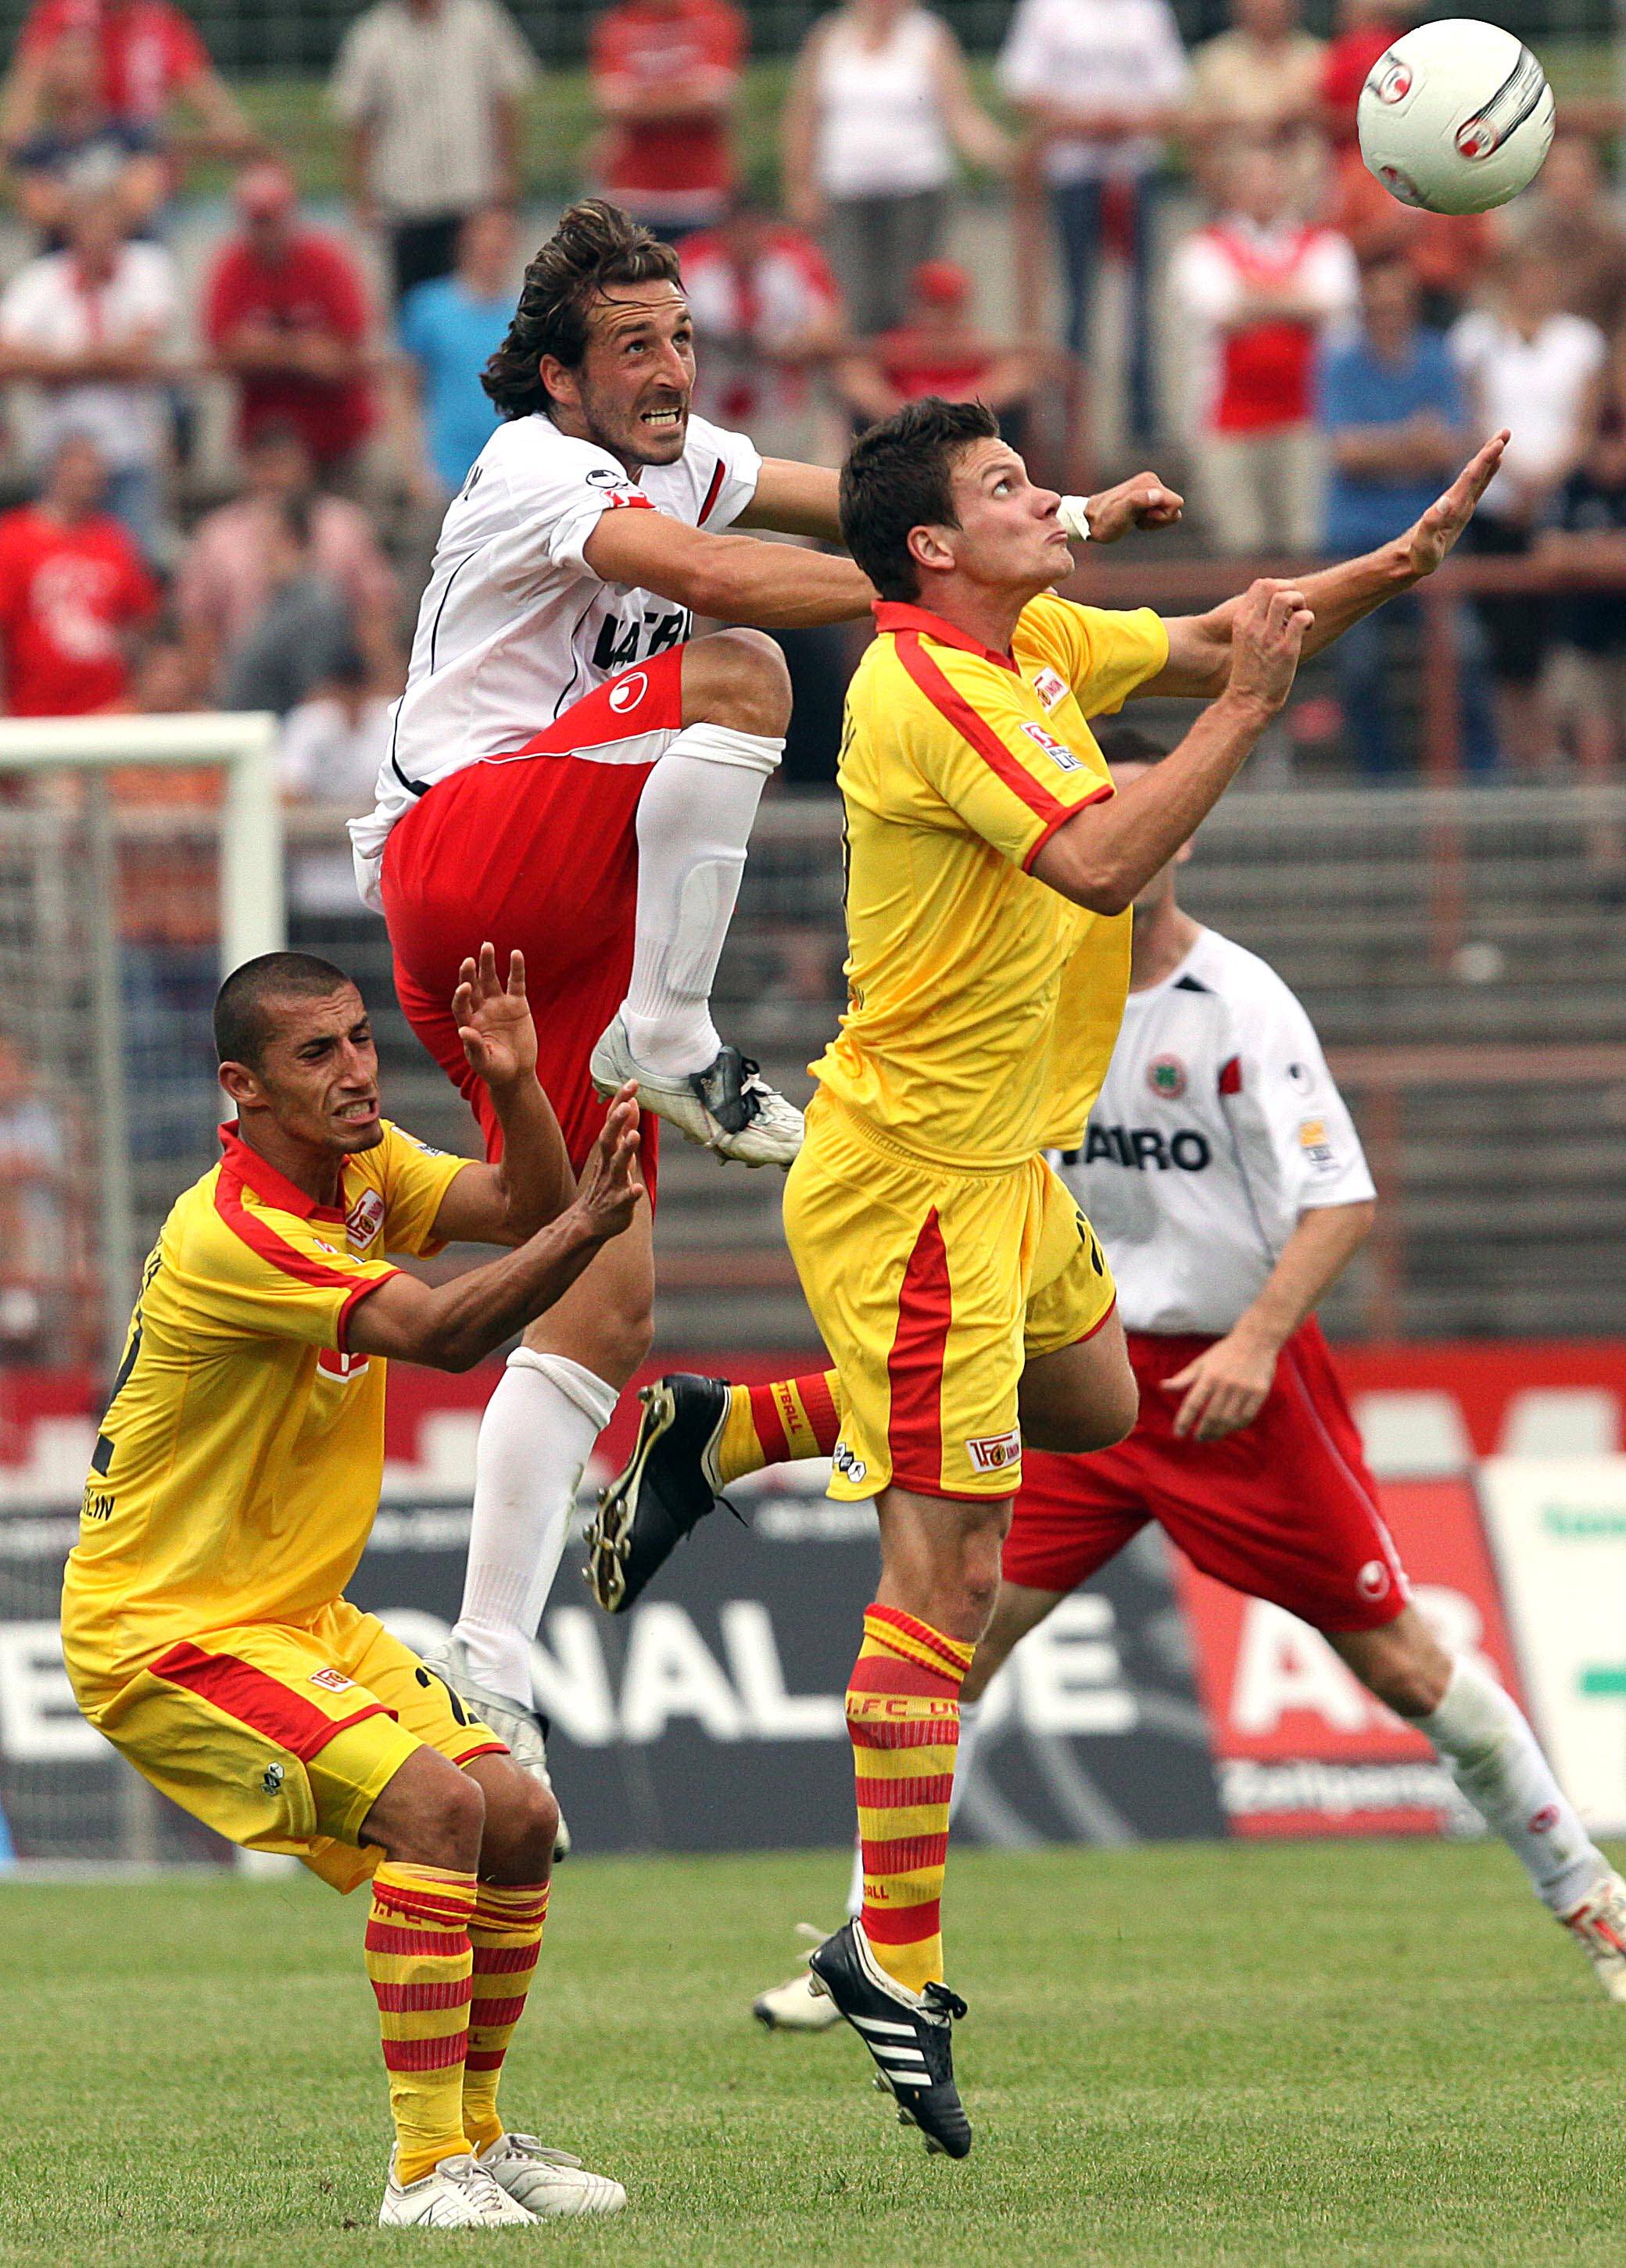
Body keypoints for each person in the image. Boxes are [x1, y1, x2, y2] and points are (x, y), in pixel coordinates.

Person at [584, 395, 1503, 2154]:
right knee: (949, 1582)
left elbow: (1233, 629)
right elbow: (1099, 859)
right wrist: (1245, 714)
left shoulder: (1038, 644)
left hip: (1006, 1170)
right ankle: (892, 1958)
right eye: (1011, 487)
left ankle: (729, 1428)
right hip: (913, 1194)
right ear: (934, 546)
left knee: (1087, 1405)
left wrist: (1394, 565)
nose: (1053, 503)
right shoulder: (930, 689)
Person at [747, 731, 1626, 2030]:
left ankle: (1592, 1897)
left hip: (1235, 1384)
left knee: (1400, 1662)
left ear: (1185, 832)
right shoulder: (1032, 986)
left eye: (1148, 811)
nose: (1127, 834)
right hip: (1078, 1377)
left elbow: (1341, 1199)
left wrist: (1257, 1341)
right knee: (948, 1643)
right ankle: (874, 1950)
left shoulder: (1239, 1001)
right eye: (1099, 811)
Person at [60, 944, 639, 2227]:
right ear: (244, 1086)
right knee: (436, 1809)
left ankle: (476, 2138)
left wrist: (519, 1083)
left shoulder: (365, 1171)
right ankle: (424, 2172)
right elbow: (442, 1333)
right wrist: (587, 1226)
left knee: (517, 1814)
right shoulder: (233, 1233)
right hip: (167, 1630)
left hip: (293, 1613)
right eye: (317, 1052)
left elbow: (525, 1204)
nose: (358, 1069)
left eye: (363, 1038)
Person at [1320, 252, 1495, 775]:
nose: (1388, 316)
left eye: (1397, 306)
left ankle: (1481, 775)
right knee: (1360, 663)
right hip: (1358, 538)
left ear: (1413, 308)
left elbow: (1451, 447)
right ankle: (1379, 781)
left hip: (1432, 534)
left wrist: (1382, 447)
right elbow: (1346, 454)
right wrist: (1412, 441)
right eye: (1377, 307)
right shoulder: (1341, 364)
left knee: (1465, 652)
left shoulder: (1437, 358)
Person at [997, 0, 1188, 445]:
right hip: (1073, 173)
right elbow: (1021, 87)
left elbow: (1172, 90)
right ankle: (1073, 422)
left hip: (1133, 172)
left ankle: (1142, 420)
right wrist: (1084, 121)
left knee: (1138, 300)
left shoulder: (1146, 10)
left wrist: (1124, 121)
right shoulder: (1047, 10)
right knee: (1077, 300)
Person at [1452, 246, 1607, 770]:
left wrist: (1545, 483)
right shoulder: (1478, 339)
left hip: (1560, 503)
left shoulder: (1580, 341)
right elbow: (1473, 412)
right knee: (1504, 640)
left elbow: (1586, 423)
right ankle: (1517, 752)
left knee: (1558, 636)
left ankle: (1555, 748)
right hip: (1496, 503)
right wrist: (1511, 477)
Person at [1170, 141, 1359, 555]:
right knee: (1238, 542)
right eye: (1252, 179)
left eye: (1272, 178)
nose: (1263, 189)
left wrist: (1250, 296)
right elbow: (1219, 312)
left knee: (1305, 541)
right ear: (1231, 188)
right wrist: (1295, 301)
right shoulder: (1201, 248)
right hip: (1225, 420)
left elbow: (1332, 306)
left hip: (1307, 415)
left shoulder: (1325, 244)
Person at [781, 0, 1008, 338]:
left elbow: (960, 112)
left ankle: (909, 370)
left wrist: (1004, 157)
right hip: (847, 193)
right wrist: (800, 185)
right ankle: (861, 372)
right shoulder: (829, 38)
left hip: (916, 193)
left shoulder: (928, 37)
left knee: (912, 299)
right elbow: (803, 117)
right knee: (852, 298)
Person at [0, 186, 177, 560]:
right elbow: (6, 353)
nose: (99, 238)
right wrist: (96, 360)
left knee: (133, 559)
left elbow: (140, 352)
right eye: (90, 227)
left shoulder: (149, 266)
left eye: (107, 227)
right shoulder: (41, 278)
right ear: (73, 232)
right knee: (55, 561)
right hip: (58, 451)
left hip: (130, 448)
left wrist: (57, 365)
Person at [175, 421, 399, 703]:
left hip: (332, 687)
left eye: (284, 465)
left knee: (318, 596)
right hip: (245, 682)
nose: (276, 477)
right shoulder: (219, 533)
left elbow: (374, 611)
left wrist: (383, 686)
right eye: (266, 466)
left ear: (305, 468)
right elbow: (198, 624)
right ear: (249, 469)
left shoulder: (343, 524)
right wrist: (205, 698)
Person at [332, 0, 538, 306]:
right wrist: (361, 195)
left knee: (477, 301)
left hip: (472, 197)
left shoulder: (481, 20)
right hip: (407, 203)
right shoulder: (373, 34)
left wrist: (507, 173)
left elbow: (505, 99)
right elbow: (358, 120)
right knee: (413, 304)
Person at [204, 159, 378, 482]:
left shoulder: (326, 260)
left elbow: (344, 353)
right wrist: (300, 349)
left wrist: (265, 349)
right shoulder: (233, 266)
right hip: (264, 442)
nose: (265, 230)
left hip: (336, 434)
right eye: (256, 220)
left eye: (271, 218)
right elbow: (222, 351)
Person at [0, 429, 157, 714]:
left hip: (107, 708)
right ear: (53, 471)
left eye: (94, 471)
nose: (87, 478)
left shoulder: (113, 539)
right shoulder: (12, 538)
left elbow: (139, 622)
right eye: (78, 468)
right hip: (32, 708)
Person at [680, 196, 844, 462]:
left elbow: (830, 333)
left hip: (781, 410)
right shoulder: (692, 262)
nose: (745, 240)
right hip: (708, 408)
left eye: (753, 230)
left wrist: (783, 346)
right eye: (737, 231)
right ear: (721, 232)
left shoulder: (796, 258)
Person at [0, 0, 252, 164]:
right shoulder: (65, 13)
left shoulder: (162, 23)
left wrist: (175, 145)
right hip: (71, 157)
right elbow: (22, 105)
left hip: (140, 162)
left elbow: (226, 123)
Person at [833, 256, 1046, 442]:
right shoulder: (893, 344)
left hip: (968, 444)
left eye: (951, 306)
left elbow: (1017, 377)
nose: (942, 316)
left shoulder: (976, 345)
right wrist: (912, 417)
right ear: (915, 303)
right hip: (904, 448)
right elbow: (855, 379)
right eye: (933, 305)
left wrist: (952, 411)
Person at [589, 0, 747, 245]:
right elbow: (613, 107)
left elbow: (712, 102)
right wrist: (687, 95)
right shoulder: (616, 25)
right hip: (632, 196)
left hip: (704, 196)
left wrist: (641, 100)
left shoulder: (715, 18)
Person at [393, 204, 518, 506]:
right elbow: (404, 392)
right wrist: (414, 468)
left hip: (510, 477)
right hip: (445, 475)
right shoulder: (428, 307)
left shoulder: (526, 313)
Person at [5, 26, 167, 248]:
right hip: (62, 258)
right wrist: (112, 200)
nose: (72, 67)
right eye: (64, 57)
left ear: (100, 67)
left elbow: (141, 198)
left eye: (81, 56)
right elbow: (38, 208)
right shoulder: (38, 146)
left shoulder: (132, 132)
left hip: (130, 252)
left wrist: (66, 204)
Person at [1184, 0, 1327, 209]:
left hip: (1307, 203)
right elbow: (1191, 132)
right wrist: (1250, 126)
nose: (1267, 6)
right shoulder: (1214, 61)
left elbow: (1344, 126)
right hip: (1230, 205)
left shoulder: (1320, 58)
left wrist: (1303, 117)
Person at [1508, 133, 1626, 340]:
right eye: (1559, 179)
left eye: (1575, 179)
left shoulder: (1614, 244)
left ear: (1593, 181)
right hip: (1529, 341)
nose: (1567, 190)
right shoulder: (1518, 239)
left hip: (1596, 343)